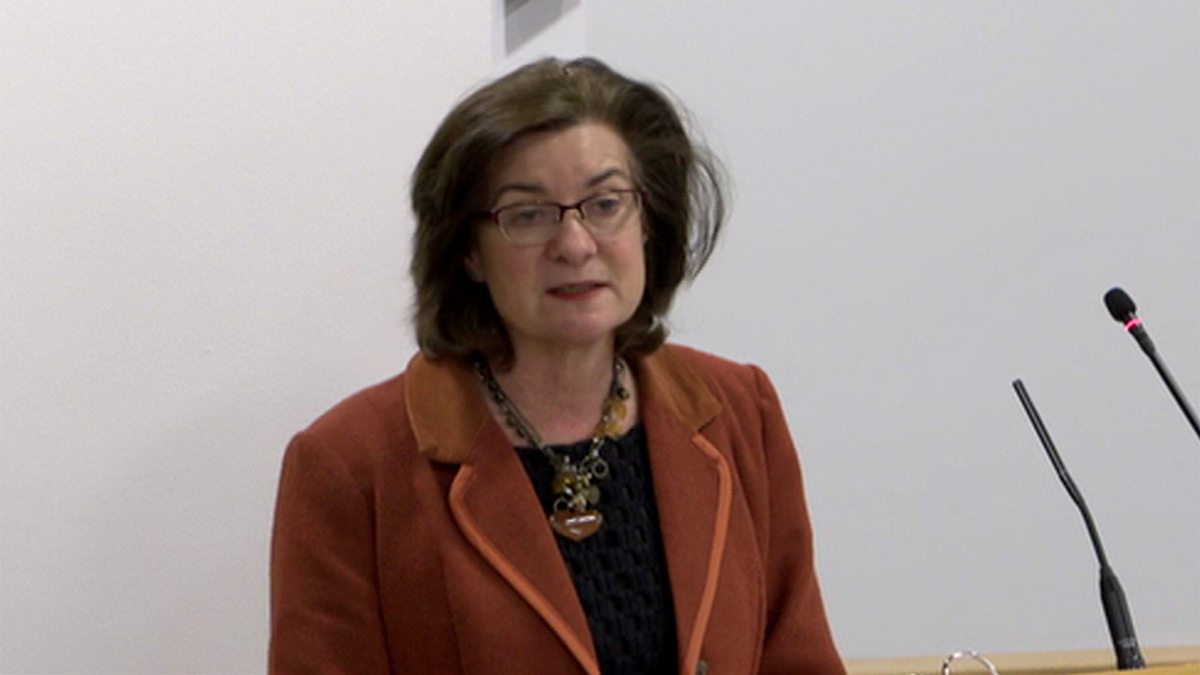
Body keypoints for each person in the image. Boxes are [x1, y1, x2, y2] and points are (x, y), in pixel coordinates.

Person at [270, 56, 844, 675]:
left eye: (605, 203)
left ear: (648, 222)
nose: (575, 244)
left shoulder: (739, 409)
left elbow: (799, 659)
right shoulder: (350, 465)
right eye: (528, 214)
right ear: (468, 252)